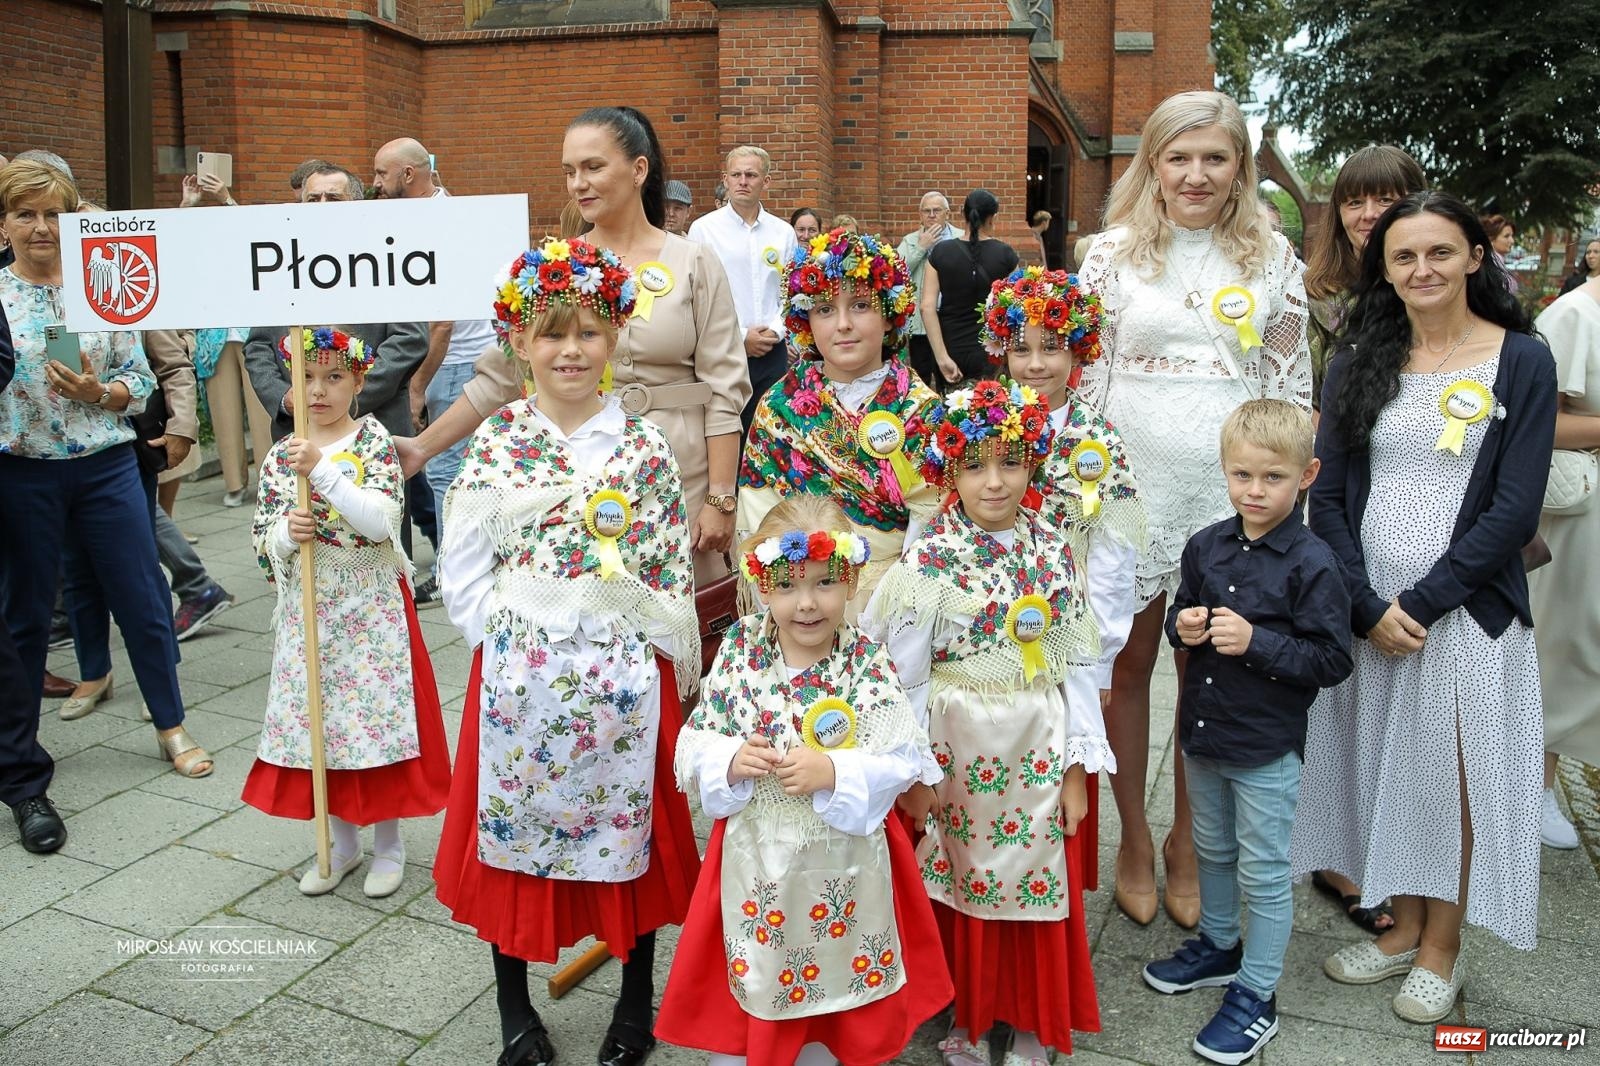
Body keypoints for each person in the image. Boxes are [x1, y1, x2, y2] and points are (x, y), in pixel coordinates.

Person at [434, 236, 702, 1066]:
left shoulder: (644, 447)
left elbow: (664, 569)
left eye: (588, 331)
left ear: (615, 337)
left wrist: (645, 661)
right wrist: (510, 643)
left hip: (624, 679)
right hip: (520, 679)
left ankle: (633, 998)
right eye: (552, 334)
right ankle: (515, 1005)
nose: (571, 350)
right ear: (520, 343)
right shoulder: (500, 440)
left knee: (635, 839)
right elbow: (465, 565)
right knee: (513, 832)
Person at [1291, 193, 1554, 1023]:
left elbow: (1514, 508)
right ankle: (1400, 927)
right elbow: (1326, 497)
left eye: (1441, 252)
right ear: (1385, 270)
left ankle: (1442, 948)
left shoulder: (1521, 360)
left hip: (1466, 613)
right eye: (1404, 258)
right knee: (1384, 768)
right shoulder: (1360, 360)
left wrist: (1426, 601)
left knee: (1456, 782)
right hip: (1372, 616)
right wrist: (1366, 604)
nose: (1423, 270)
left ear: (1476, 255)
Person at [1076, 89, 1312, 929]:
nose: (1196, 174)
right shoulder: (1107, 256)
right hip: (1129, 484)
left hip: (1228, 491)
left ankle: (1186, 841)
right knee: (1125, 665)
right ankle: (1132, 838)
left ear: (1240, 167)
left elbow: (1288, 390)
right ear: (1153, 164)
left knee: (1204, 670)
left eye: (1215, 157)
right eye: (1179, 157)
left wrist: (1285, 512)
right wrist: (1080, 485)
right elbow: (1086, 381)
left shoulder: (1272, 259)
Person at [864, 380, 1113, 1064]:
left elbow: (1075, 664)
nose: (995, 482)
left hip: (1037, 739)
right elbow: (907, 673)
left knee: (1036, 882)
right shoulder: (928, 558)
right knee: (964, 878)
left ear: (1033, 461)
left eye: (1009, 462)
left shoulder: (1053, 549)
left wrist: (1075, 770)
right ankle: (970, 1016)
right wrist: (914, 772)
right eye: (974, 466)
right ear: (949, 471)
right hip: (957, 747)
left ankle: (1031, 1018)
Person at [657, 494, 953, 1065]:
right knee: (760, 975)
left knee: (835, 992)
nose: (807, 604)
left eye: (823, 583)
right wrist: (729, 758)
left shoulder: (865, 659)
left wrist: (836, 770)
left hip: (843, 857)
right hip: (757, 855)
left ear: (850, 580)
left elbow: (900, 753)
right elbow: (696, 738)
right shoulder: (743, 649)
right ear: (763, 586)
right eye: (789, 586)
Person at [399, 108, 749, 584]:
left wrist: (720, 498)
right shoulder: (553, 269)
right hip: (578, 475)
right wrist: (421, 448)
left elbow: (725, 389)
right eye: (569, 171)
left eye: (593, 167)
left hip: (678, 475)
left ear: (638, 170)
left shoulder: (695, 261)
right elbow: (500, 377)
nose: (578, 183)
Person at [1142, 399, 1352, 1065]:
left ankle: (1258, 992)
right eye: (1241, 476)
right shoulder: (1205, 544)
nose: (1254, 491)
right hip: (1204, 734)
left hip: (1265, 746)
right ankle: (1221, 944)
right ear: (1225, 472)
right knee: (1212, 849)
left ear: (1307, 474)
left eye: (1272, 478)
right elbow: (1178, 616)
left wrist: (1257, 642)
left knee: (1264, 868)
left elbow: (1332, 660)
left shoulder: (1315, 564)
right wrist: (1186, 628)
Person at [0, 159, 214, 782]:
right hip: (23, 473)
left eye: (55, 215)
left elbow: (141, 377)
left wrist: (101, 393)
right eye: (26, 214)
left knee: (143, 598)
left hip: (107, 467)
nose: (42, 228)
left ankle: (171, 725)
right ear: (4, 224)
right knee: (27, 613)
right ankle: (19, 751)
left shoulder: (104, 281)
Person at [242, 327, 450, 898]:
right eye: (306, 377)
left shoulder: (374, 442)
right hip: (311, 608)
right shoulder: (281, 456)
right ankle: (341, 841)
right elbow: (263, 541)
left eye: (334, 377)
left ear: (359, 382)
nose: (318, 390)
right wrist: (286, 535)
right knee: (323, 725)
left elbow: (382, 521)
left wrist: (326, 475)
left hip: (368, 607)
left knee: (375, 724)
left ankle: (389, 844)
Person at [738, 229, 939, 616]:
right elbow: (758, 515)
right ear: (805, 321)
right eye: (825, 310)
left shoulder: (922, 409)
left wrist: (899, 603)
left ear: (889, 315)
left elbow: (930, 518)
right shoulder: (779, 407)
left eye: (860, 305)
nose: (843, 324)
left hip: (897, 602)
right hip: (800, 599)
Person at [984, 265, 1144, 733]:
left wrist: (1102, 656)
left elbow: (1114, 552)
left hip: (1071, 630)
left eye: (1051, 348)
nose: (1036, 365)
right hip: (990, 623)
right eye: (1021, 349)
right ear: (1002, 352)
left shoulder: (1096, 440)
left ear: (1078, 349)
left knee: (1066, 756)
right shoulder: (980, 427)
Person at [1527, 275, 1600, 849]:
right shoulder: (1574, 317)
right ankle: (1537, 788)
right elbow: (1537, 420)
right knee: (1562, 643)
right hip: (1579, 506)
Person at [1304, 146, 1427, 421]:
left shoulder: (1437, 287)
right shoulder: (1315, 296)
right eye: (1354, 202)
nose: (1369, 213)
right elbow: (1301, 397)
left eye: (1385, 199)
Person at [688, 145, 797, 432]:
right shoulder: (703, 230)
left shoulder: (783, 232)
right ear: (725, 179)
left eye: (751, 174)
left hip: (773, 350)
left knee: (772, 432)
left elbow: (791, 291)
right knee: (727, 431)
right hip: (724, 349)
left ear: (766, 181)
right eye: (735, 175)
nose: (743, 181)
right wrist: (741, 336)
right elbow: (699, 296)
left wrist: (777, 330)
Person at [922, 190, 1018, 391]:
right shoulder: (1005, 254)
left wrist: (941, 357)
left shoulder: (940, 252)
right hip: (991, 349)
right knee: (993, 414)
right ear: (993, 218)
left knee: (950, 416)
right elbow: (1015, 308)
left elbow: (927, 307)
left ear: (961, 212)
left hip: (949, 346)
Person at [897, 191, 961, 390]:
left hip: (953, 320)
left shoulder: (961, 238)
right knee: (921, 380)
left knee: (953, 378)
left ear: (947, 214)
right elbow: (896, 272)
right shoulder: (910, 241)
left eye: (937, 210)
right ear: (920, 215)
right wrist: (921, 247)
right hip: (922, 324)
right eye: (927, 211)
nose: (932, 215)